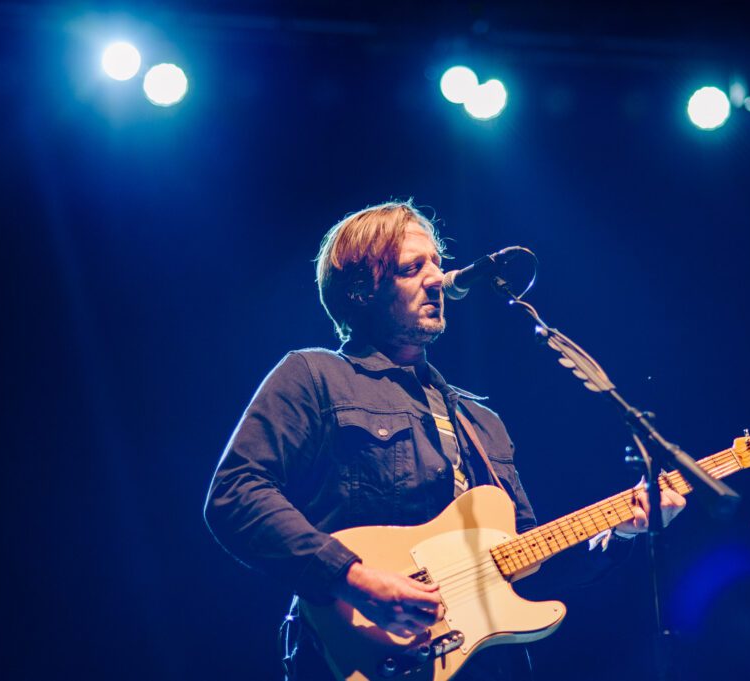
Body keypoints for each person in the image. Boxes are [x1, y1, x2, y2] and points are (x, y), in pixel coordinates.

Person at [204, 200, 685, 679]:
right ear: (360, 291)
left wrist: (623, 529)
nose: (437, 278)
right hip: (362, 656)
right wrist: (352, 578)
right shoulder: (314, 376)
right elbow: (235, 493)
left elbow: (528, 562)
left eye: (437, 262)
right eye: (413, 268)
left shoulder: (480, 421)